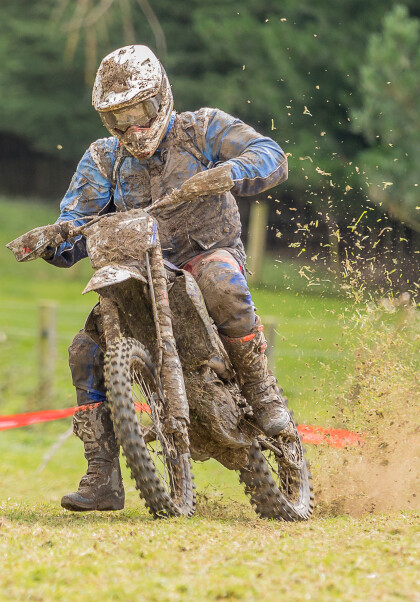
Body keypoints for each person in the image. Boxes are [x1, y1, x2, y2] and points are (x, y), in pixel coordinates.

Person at [43, 45, 290, 511]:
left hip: (205, 254)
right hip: (138, 272)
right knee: (84, 351)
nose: (131, 128)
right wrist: (53, 239)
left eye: (139, 112)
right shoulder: (103, 159)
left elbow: (270, 155)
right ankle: (102, 475)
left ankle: (260, 390)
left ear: (161, 99)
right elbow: (75, 224)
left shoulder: (201, 129)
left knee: (221, 281)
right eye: (117, 119)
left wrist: (228, 172)